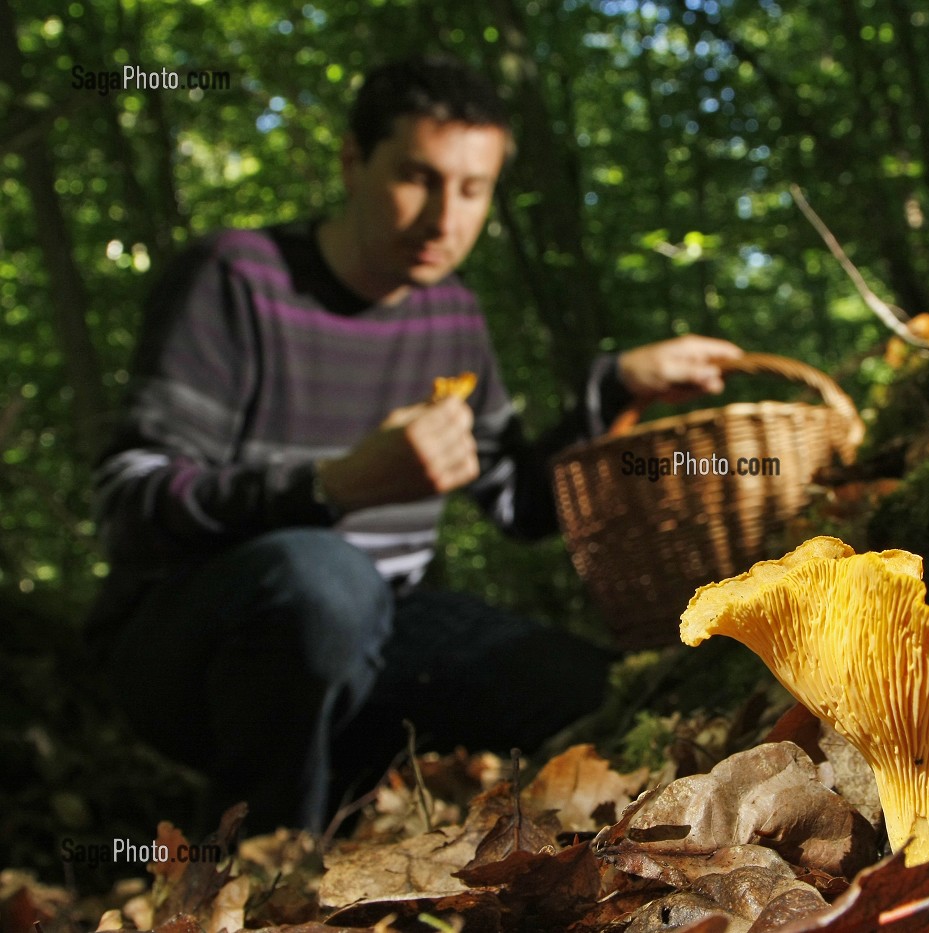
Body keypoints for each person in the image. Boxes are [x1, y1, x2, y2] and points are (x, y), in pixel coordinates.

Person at [85, 55, 742, 832]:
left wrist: (616, 385)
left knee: (599, 692)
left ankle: (354, 820)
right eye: (417, 178)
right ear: (353, 160)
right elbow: (129, 500)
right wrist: (333, 486)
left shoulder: (451, 315)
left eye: (472, 189)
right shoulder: (235, 278)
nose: (443, 218)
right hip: (192, 638)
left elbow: (522, 502)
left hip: (385, 629)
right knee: (327, 581)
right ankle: (258, 864)